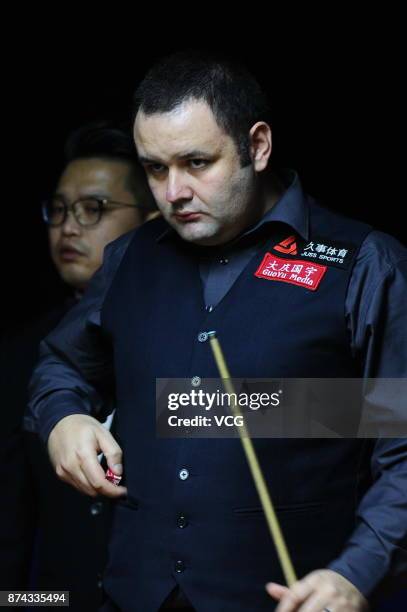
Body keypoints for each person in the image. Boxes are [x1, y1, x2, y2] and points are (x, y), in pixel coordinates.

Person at [27, 53, 407, 612]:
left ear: (257, 146)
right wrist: (63, 417)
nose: (174, 192)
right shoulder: (130, 258)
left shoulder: (365, 265)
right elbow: (62, 364)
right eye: (155, 169)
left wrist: (356, 572)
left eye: (197, 162)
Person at [0, 120, 155, 609]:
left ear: (153, 222)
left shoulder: (192, 332)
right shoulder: (23, 351)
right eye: (60, 210)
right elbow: (12, 517)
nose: (69, 227)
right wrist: (22, 601)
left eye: (95, 209)